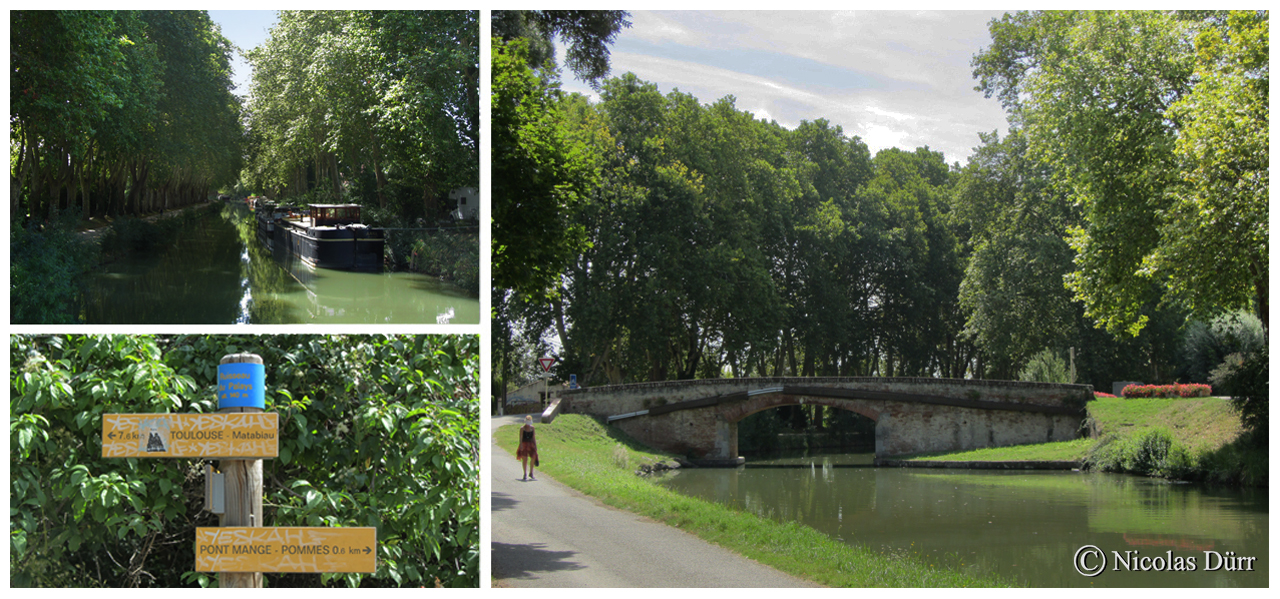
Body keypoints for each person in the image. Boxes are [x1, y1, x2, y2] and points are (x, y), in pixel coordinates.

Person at [516, 415, 539, 481]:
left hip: (531, 444)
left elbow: (534, 437)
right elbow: (520, 437)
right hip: (524, 444)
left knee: (533, 457)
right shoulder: (522, 428)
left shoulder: (532, 428)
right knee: (525, 459)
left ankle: (531, 473)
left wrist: (535, 445)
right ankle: (525, 474)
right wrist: (521, 445)